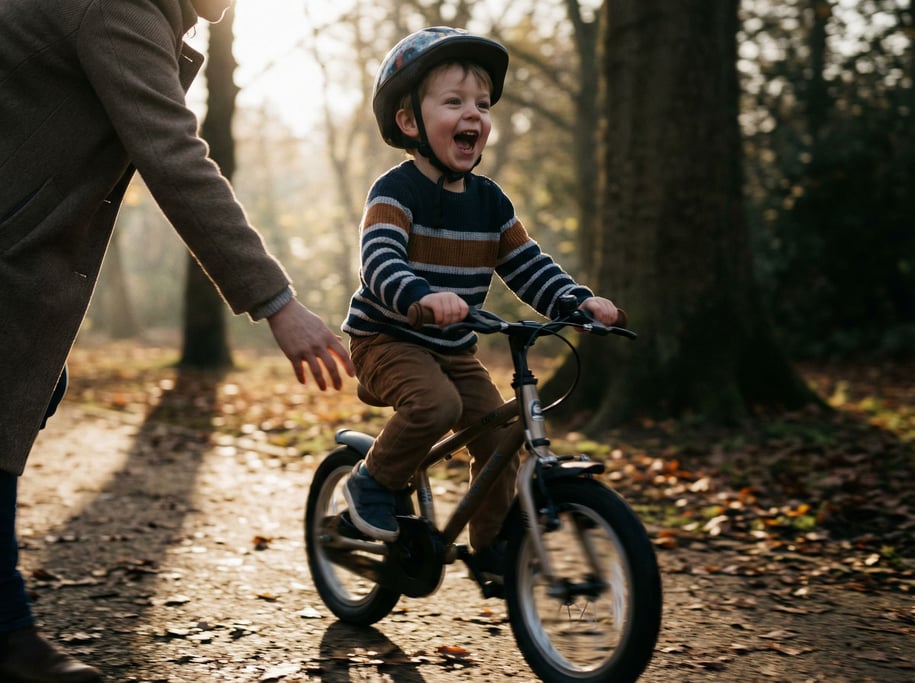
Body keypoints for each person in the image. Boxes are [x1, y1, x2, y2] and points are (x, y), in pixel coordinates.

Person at [0, 1, 354, 681]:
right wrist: (276, 302)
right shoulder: (119, 9)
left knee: (33, 388)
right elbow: (172, 155)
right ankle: (5, 631)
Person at [341, 27, 619, 574]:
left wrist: (576, 302)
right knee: (436, 406)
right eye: (454, 102)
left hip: (452, 348)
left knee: (498, 437)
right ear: (408, 122)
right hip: (387, 339)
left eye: (482, 104)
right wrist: (421, 296)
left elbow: (527, 266)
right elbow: (379, 264)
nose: (474, 114)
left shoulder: (490, 202)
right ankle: (369, 484)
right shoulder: (395, 193)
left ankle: (492, 548)